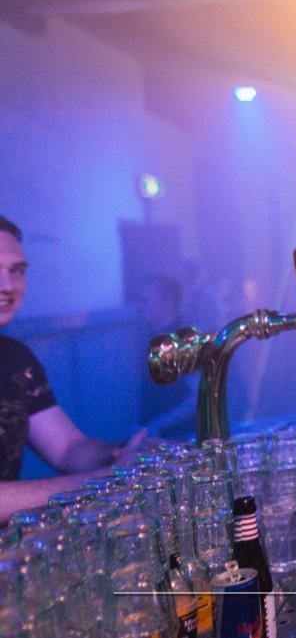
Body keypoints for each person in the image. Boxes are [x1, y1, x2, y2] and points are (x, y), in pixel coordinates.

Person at [0, 215, 146, 523]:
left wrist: (125, 453)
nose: (7, 286)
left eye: (17, 271)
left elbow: (67, 447)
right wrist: (106, 478)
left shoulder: (15, 359)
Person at [135, 273, 196, 438]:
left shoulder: (183, 340)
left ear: (168, 304)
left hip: (181, 439)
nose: (141, 306)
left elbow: (198, 397)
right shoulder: (155, 340)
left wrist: (157, 425)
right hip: (159, 439)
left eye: (146, 300)